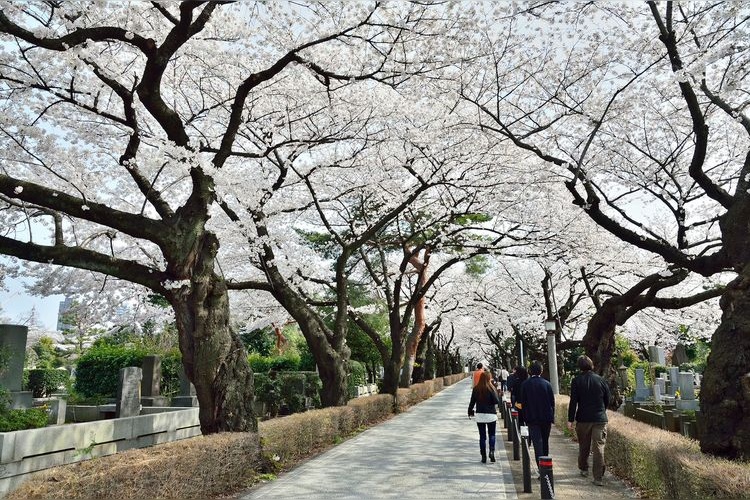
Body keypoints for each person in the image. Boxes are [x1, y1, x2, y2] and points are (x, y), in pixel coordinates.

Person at [567, 355, 611, 487]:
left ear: (579, 366)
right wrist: (603, 410)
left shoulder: (576, 381)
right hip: (599, 419)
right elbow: (607, 398)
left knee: (584, 445)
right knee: (598, 447)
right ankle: (598, 477)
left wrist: (570, 419)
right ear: (591, 365)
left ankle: (584, 468)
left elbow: (573, 401)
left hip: (583, 418)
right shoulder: (601, 380)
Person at [517, 361, 555, 469]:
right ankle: (546, 464)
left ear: (530, 371)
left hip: (532, 418)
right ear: (541, 371)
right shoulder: (547, 384)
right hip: (546, 417)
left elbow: (522, 402)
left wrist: (524, 417)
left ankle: (541, 467)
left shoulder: (525, 384)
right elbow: (552, 402)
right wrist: (552, 417)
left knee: (537, 442)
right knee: (545, 441)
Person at [468, 370, 501, 463]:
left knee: (482, 436)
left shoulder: (476, 388)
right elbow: (496, 401)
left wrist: (469, 411)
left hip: (480, 414)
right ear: (488, 378)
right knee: (492, 434)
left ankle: (483, 456)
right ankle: (491, 451)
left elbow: (472, 402)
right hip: (491, 414)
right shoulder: (491, 388)